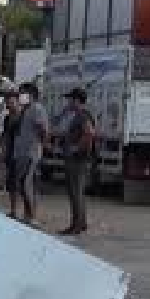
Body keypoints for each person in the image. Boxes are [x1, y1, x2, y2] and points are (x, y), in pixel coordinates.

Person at [57, 87, 97, 235]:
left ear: (76, 100)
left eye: (70, 99)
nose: (68, 102)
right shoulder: (78, 115)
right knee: (76, 192)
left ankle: (76, 225)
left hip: (78, 160)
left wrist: (76, 149)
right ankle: (81, 222)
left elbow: (89, 133)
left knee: (75, 193)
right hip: (77, 159)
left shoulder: (82, 115)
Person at [5, 83, 47, 223]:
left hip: (30, 152)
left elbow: (42, 129)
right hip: (21, 152)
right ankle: (27, 215)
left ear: (30, 95)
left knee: (25, 183)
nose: (20, 96)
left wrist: (40, 145)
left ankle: (31, 216)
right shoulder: (26, 109)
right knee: (22, 184)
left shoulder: (36, 108)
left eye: (22, 93)